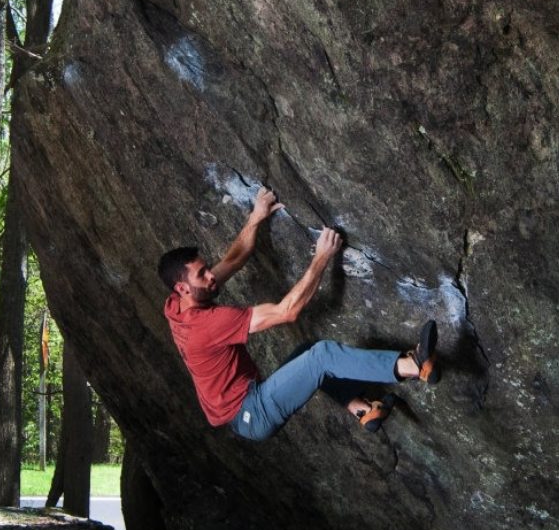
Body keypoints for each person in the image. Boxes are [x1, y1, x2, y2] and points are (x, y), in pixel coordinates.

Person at [158, 187, 439, 441]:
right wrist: (322, 256)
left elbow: (232, 260)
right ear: (182, 287)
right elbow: (287, 311)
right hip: (253, 412)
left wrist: (257, 216)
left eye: (207, 268)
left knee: (308, 352)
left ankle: (363, 410)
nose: (210, 275)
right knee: (322, 356)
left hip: (242, 410)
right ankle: (413, 365)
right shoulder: (207, 324)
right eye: (202, 274)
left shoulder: (177, 304)